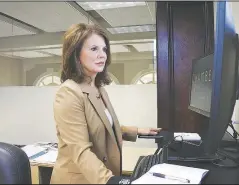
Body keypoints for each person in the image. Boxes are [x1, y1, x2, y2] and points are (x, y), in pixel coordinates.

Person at [50, 23, 161, 184]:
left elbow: (103, 128)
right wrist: (113, 181)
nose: (102, 55)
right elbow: (81, 151)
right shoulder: (68, 93)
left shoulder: (99, 89)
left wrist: (137, 131)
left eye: (104, 49)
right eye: (94, 49)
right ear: (75, 53)